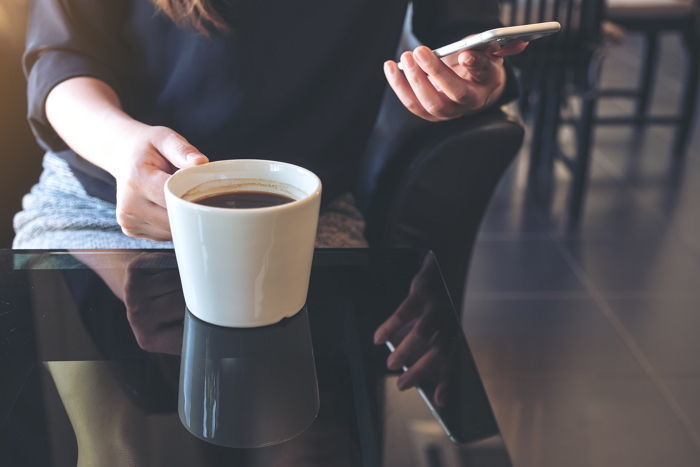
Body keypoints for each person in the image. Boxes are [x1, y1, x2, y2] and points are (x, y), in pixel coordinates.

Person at [13, 0, 526, 249]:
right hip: (105, 198)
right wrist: (123, 147)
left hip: (301, 211)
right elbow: (62, 59)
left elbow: (471, 40)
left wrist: (481, 80)